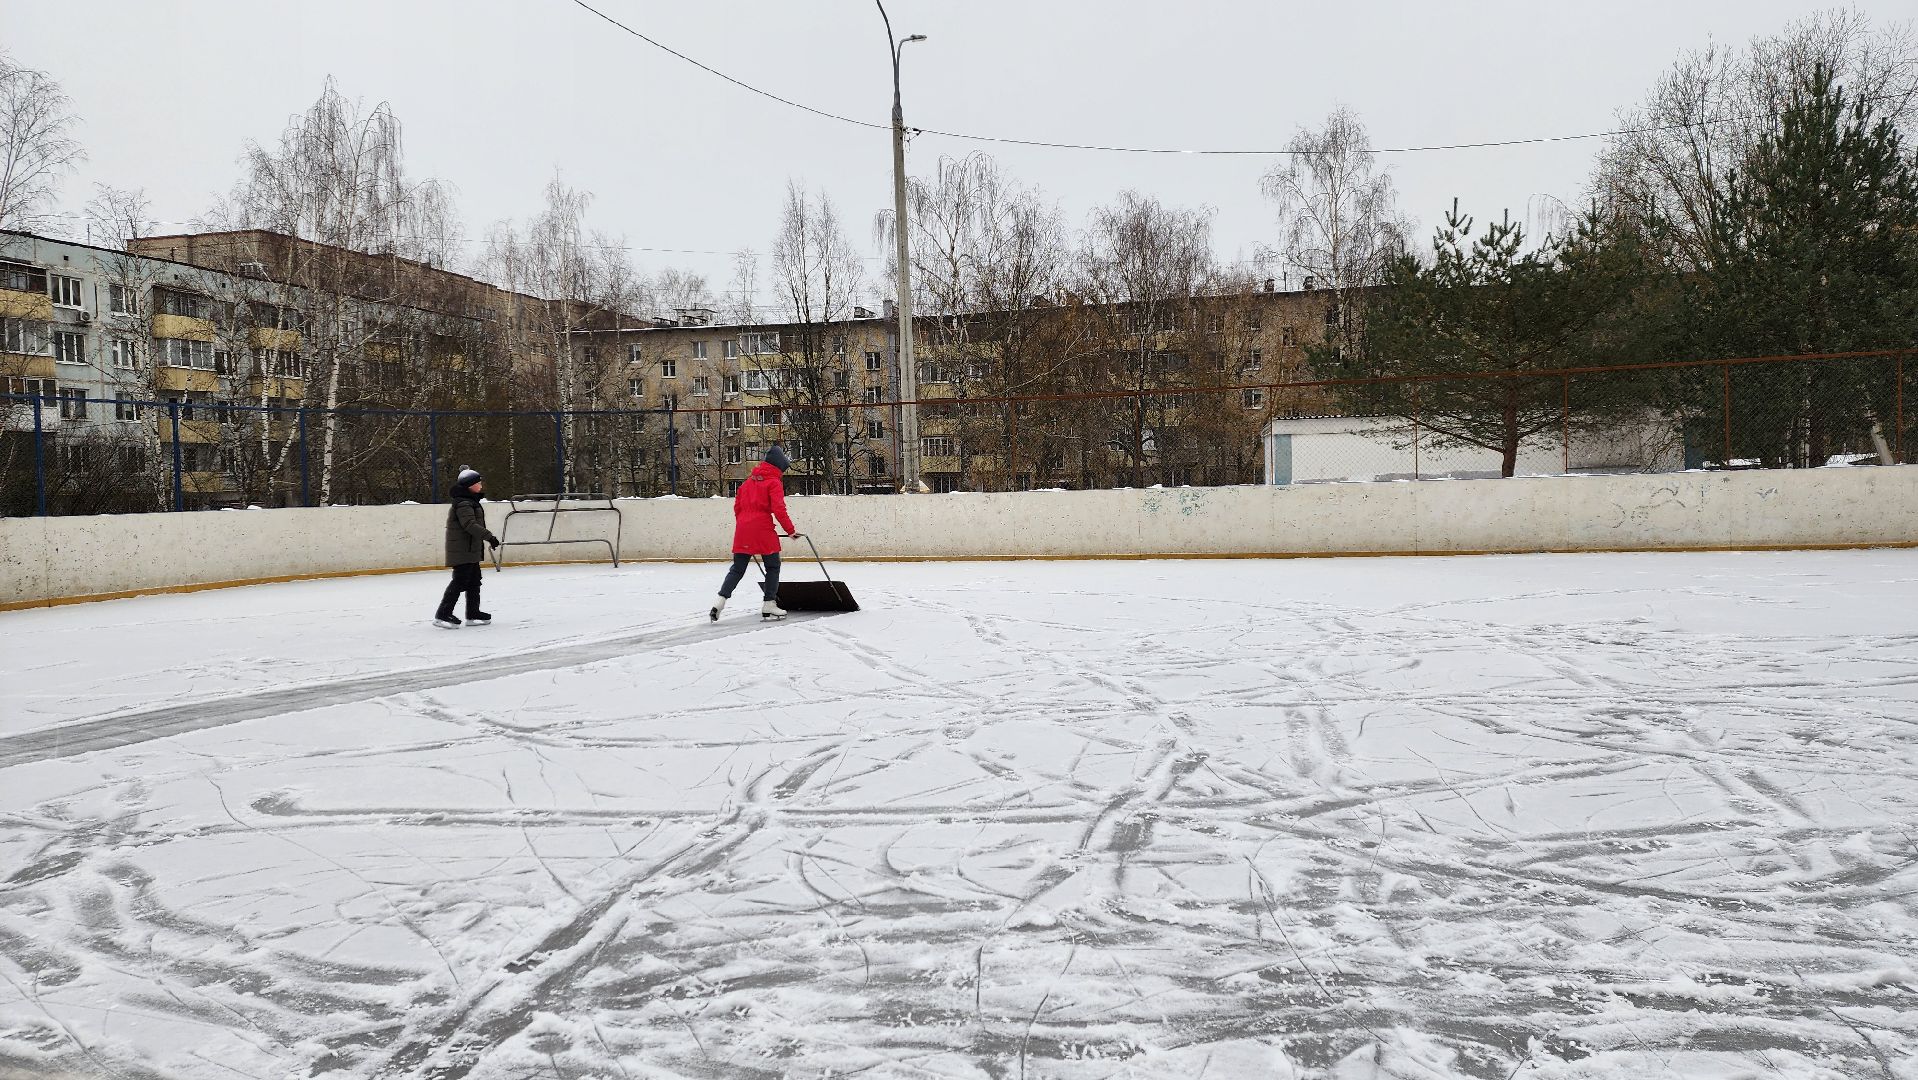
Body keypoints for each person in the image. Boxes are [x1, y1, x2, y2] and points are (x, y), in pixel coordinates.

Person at [712, 445, 801, 621]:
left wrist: (745, 525)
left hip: (743, 530)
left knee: (737, 569)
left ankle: (719, 603)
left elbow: (737, 508)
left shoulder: (746, 484)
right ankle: (769, 604)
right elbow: (779, 509)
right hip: (762, 530)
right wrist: (790, 531)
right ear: (778, 467)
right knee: (773, 566)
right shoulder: (773, 482)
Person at [435, 466, 500, 628]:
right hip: (463, 550)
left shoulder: (469, 500)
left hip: (470, 550)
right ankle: (442, 614)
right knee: (459, 582)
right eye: (478, 482)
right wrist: (489, 537)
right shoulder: (464, 503)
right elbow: (469, 525)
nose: (481, 485)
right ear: (470, 485)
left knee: (474, 582)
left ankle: (473, 613)